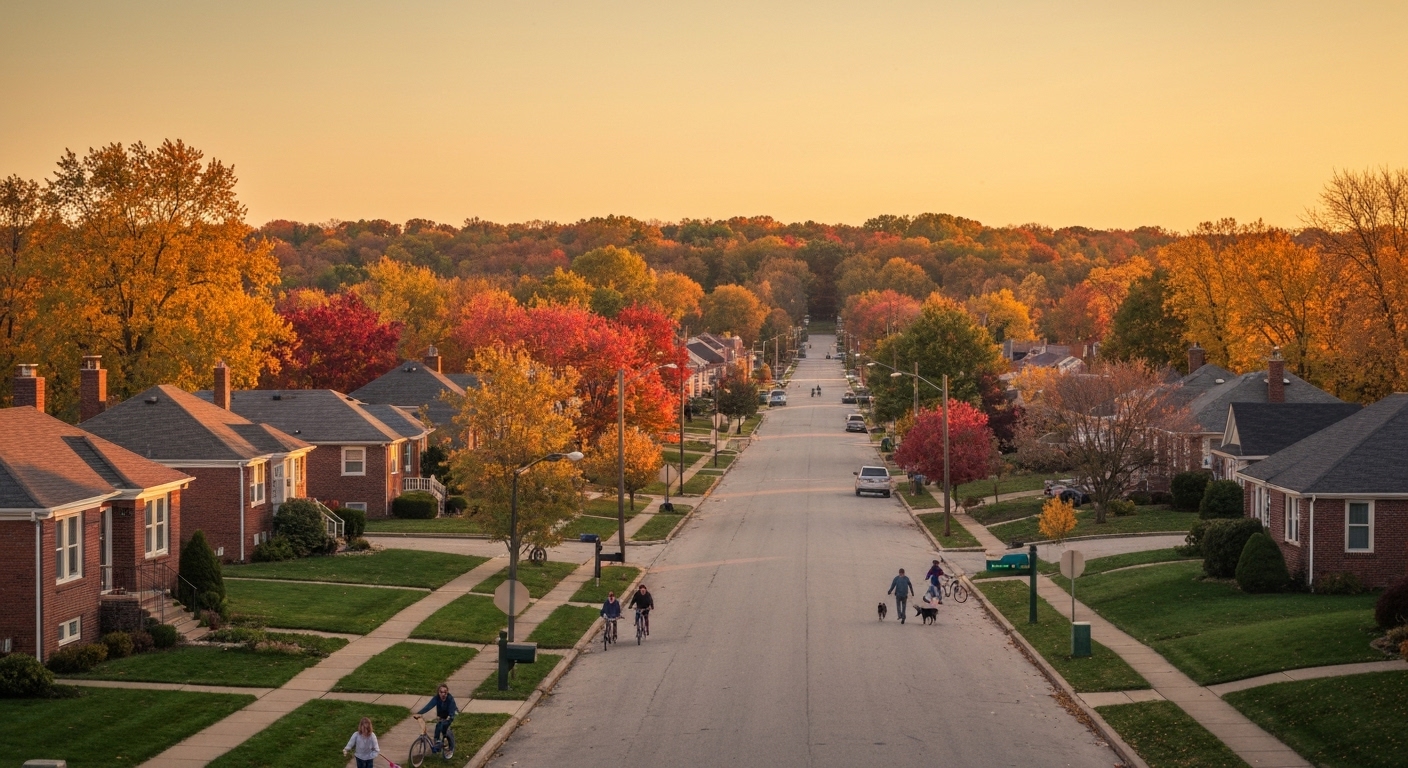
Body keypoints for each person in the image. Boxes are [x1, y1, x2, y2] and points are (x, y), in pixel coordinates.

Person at [414, 684, 458, 754]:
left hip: (450, 715)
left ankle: (451, 748)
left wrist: (449, 717)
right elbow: (429, 706)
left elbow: (451, 709)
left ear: (447, 692)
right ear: (438, 692)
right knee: (439, 727)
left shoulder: (450, 699)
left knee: (444, 729)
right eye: (441, 692)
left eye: (445, 692)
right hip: (441, 715)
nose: (443, 694)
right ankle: (437, 743)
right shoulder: (437, 698)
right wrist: (419, 713)